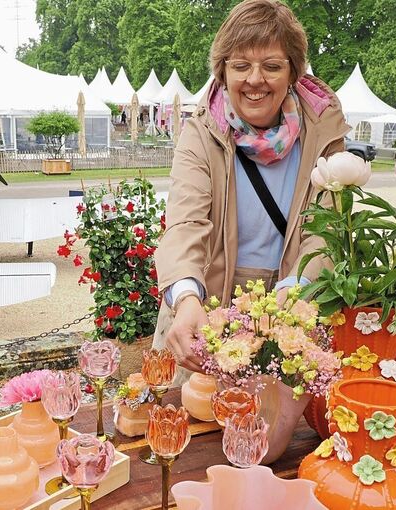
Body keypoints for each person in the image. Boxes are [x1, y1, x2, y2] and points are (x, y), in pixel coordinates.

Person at [153, 0, 350, 377]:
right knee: (193, 419)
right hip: (205, 299)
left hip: (292, 298)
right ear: (223, 71)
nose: (255, 79)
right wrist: (186, 297)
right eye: (241, 65)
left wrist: (294, 294)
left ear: (293, 72)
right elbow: (185, 224)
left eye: (272, 66)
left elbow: (325, 232)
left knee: (273, 426)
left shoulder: (324, 134)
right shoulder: (199, 133)